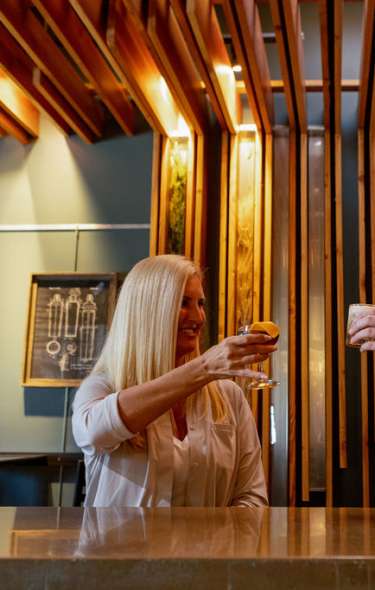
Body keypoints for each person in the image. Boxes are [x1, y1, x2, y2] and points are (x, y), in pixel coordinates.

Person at [72, 254, 277, 507]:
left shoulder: (228, 397)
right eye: (183, 303)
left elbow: (251, 496)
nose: (198, 317)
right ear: (147, 311)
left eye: (200, 304)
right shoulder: (103, 385)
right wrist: (204, 367)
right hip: (121, 547)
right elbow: (94, 433)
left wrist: (220, 544)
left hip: (209, 548)